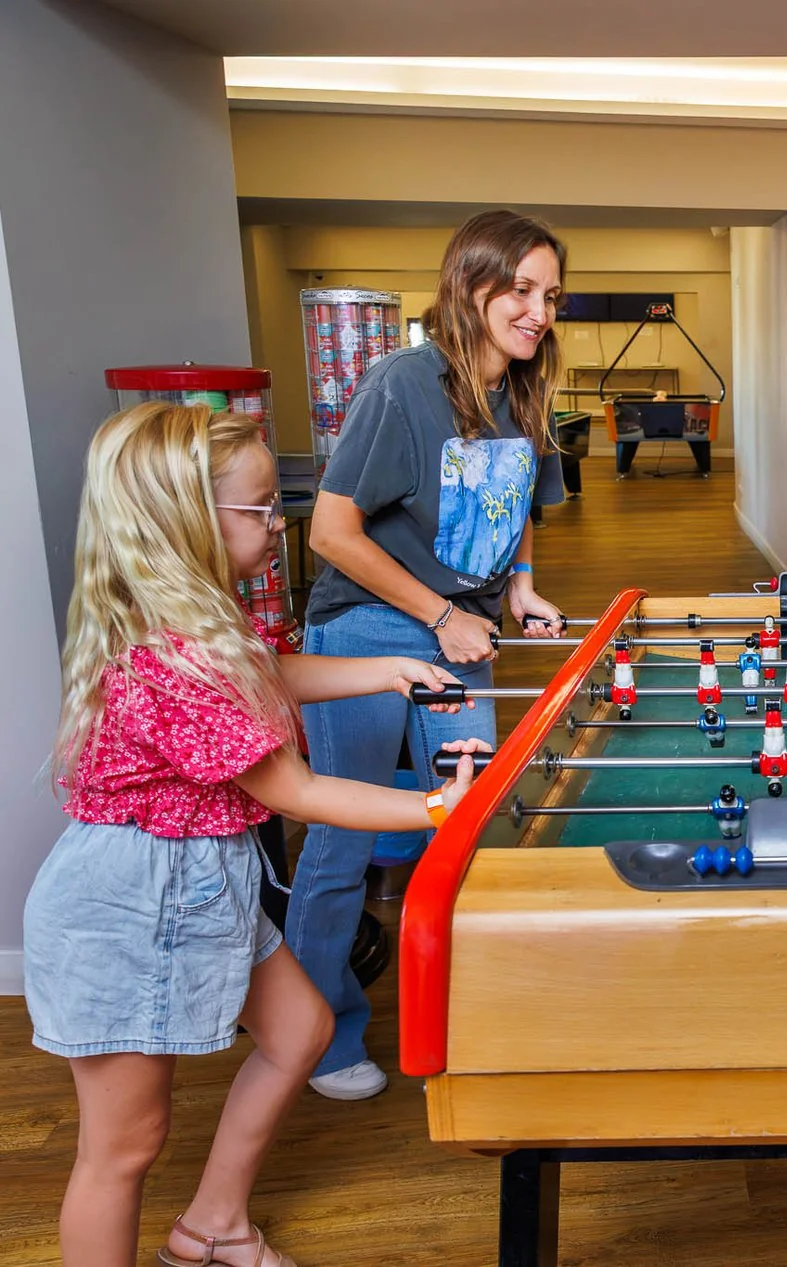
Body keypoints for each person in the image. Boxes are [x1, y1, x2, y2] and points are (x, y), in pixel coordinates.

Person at [22, 403, 487, 1267]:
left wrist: (388, 669)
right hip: (135, 900)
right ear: (188, 517)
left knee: (300, 1030)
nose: (280, 528)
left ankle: (212, 1227)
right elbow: (297, 791)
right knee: (122, 1149)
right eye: (262, 509)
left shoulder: (205, 620)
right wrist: (439, 807)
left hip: (203, 878)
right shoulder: (170, 655)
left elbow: (271, 671)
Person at [292, 209, 569, 1099]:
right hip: (368, 628)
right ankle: (322, 1034)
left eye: (550, 295)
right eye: (520, 290)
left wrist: (519, 582)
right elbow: (332, 534)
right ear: (471, 285)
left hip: (463, 635)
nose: (537, 312)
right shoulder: (404, 382)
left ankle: (470, 1011)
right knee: (346, 837)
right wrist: (442, 612)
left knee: (469, 822)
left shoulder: (525, 387)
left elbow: (519, 494)